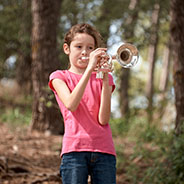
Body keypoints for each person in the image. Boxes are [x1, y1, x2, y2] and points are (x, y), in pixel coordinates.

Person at [48, 23, 116, 184]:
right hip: (74, 149)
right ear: (67, 49)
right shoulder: (59, 76)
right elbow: (71, 104)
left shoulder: (105, 79)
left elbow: (103, 119)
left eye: (90, 48)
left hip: (104, 149)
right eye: (79, 46)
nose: (85, 52)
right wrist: (89, 70)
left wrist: (105, 78)